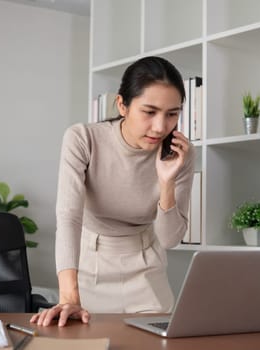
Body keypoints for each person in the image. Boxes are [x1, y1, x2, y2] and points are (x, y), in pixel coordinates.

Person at [30, 56, 195, 327]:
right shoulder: (83, 139)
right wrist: (69, 296)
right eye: (149, 112)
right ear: (122, 105)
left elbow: (168, 239)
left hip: (147, 272)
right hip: (89, 266)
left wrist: (167, 182)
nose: (160, 127)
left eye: (172, 114)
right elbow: (69, 216)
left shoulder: (179, 153)